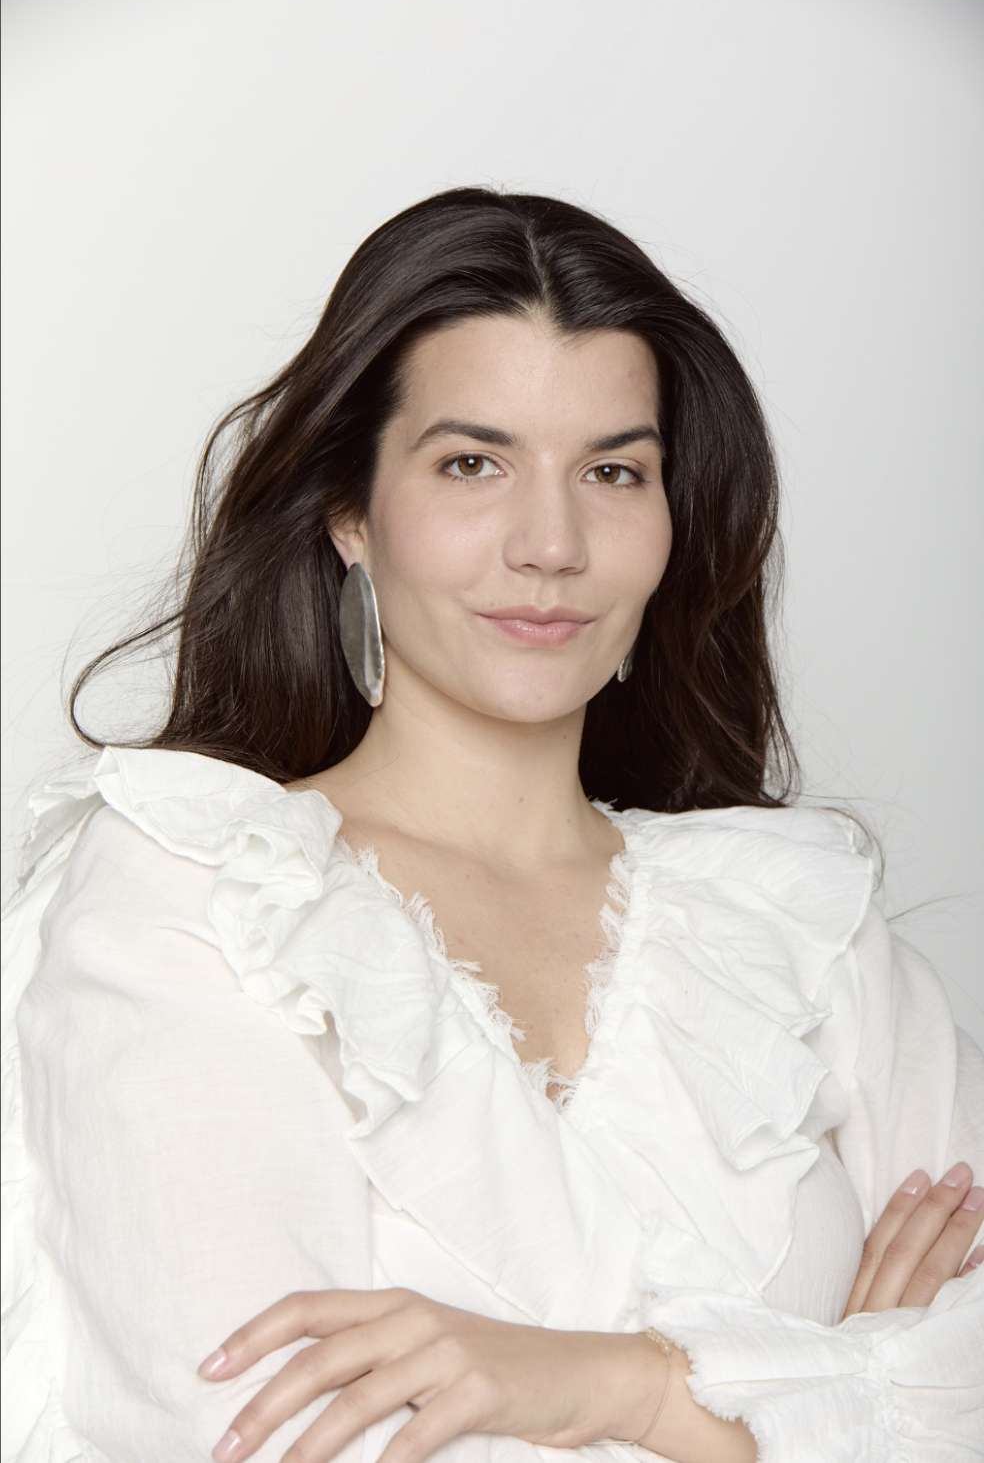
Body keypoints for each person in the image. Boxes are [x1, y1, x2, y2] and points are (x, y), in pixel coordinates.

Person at [2, 187, 982, 1463]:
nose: (552, 543)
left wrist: (621, 1391)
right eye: (474, 463)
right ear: (351, 513)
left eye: (614, 471)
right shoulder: (192, 889)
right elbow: (251, 1439)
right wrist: (827, 1398)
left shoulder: (793, 922)